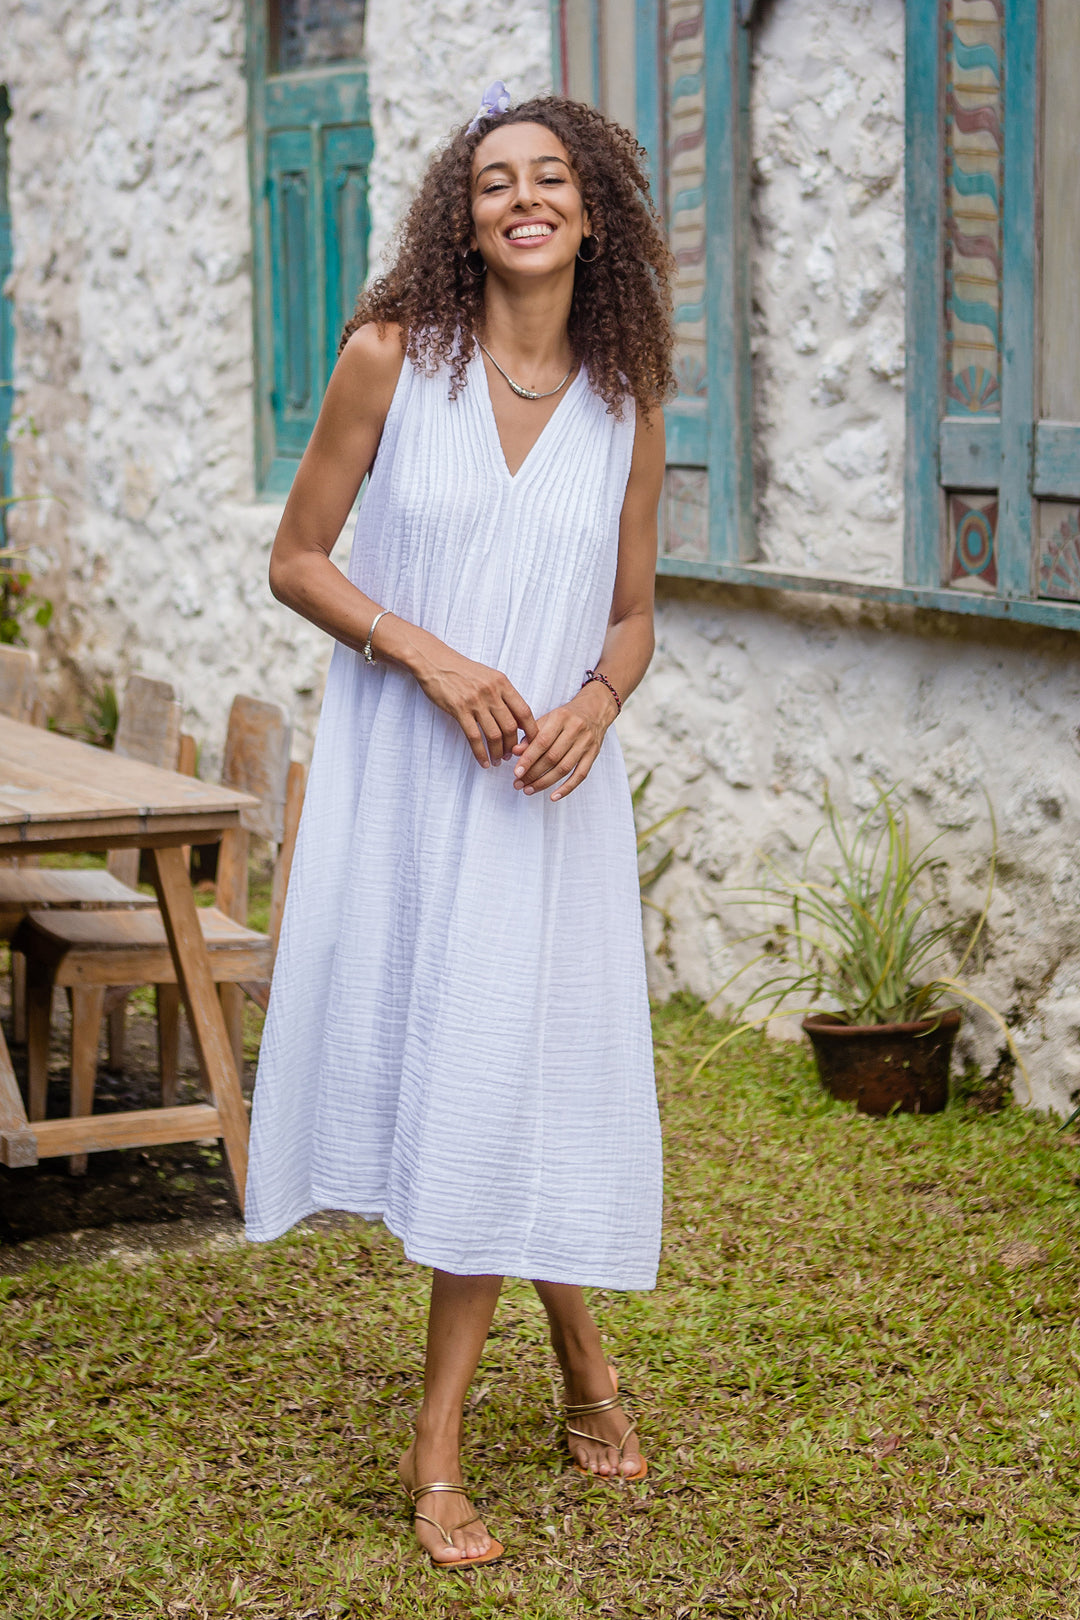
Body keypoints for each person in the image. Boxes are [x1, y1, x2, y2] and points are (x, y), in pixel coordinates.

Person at [244, 84, 675, 1568]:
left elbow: (632, 619)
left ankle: (436, 1456)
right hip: (410, 781)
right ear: (464, 215)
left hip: (544, 793)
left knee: (500, 1071)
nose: (524, 198)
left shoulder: (625, 406)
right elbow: (297, 561)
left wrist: (598, 705)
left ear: (593, 212)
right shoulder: (390, 360)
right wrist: (424, 654)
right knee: (477, 1075)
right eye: (496, 181)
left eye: (551, 177)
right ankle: (581, 1365)